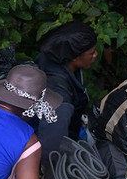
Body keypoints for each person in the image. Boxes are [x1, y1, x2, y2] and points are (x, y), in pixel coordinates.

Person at [34, 21, 98, 154]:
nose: (95, 55)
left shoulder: (54, 58)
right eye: (91, 53)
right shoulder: (59, 97)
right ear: (74, 57)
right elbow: (51, 145)